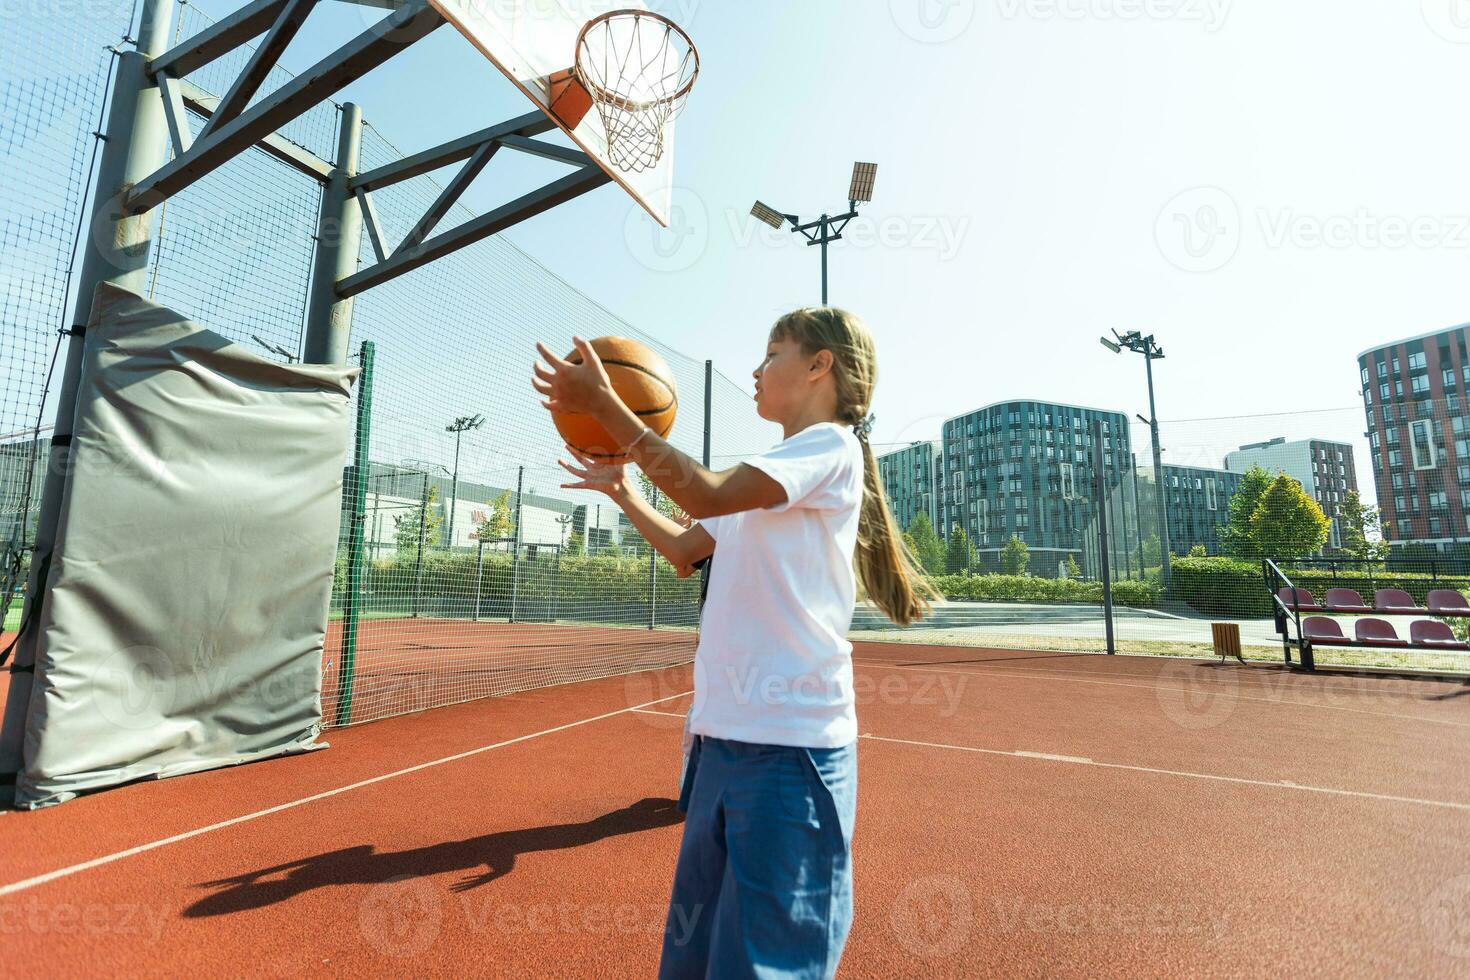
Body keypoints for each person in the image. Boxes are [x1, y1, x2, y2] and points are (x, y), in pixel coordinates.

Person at [532, 307, 933, 978]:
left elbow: (705, 491)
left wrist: (607, 404)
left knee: (763, 966)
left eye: (772, 352)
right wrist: (624, 494)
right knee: (694, 959)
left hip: (792, 752)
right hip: (724, 741)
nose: (756, 368)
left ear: (818, 366)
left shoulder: (827, 448)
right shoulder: (773, 468)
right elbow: (685, 549)